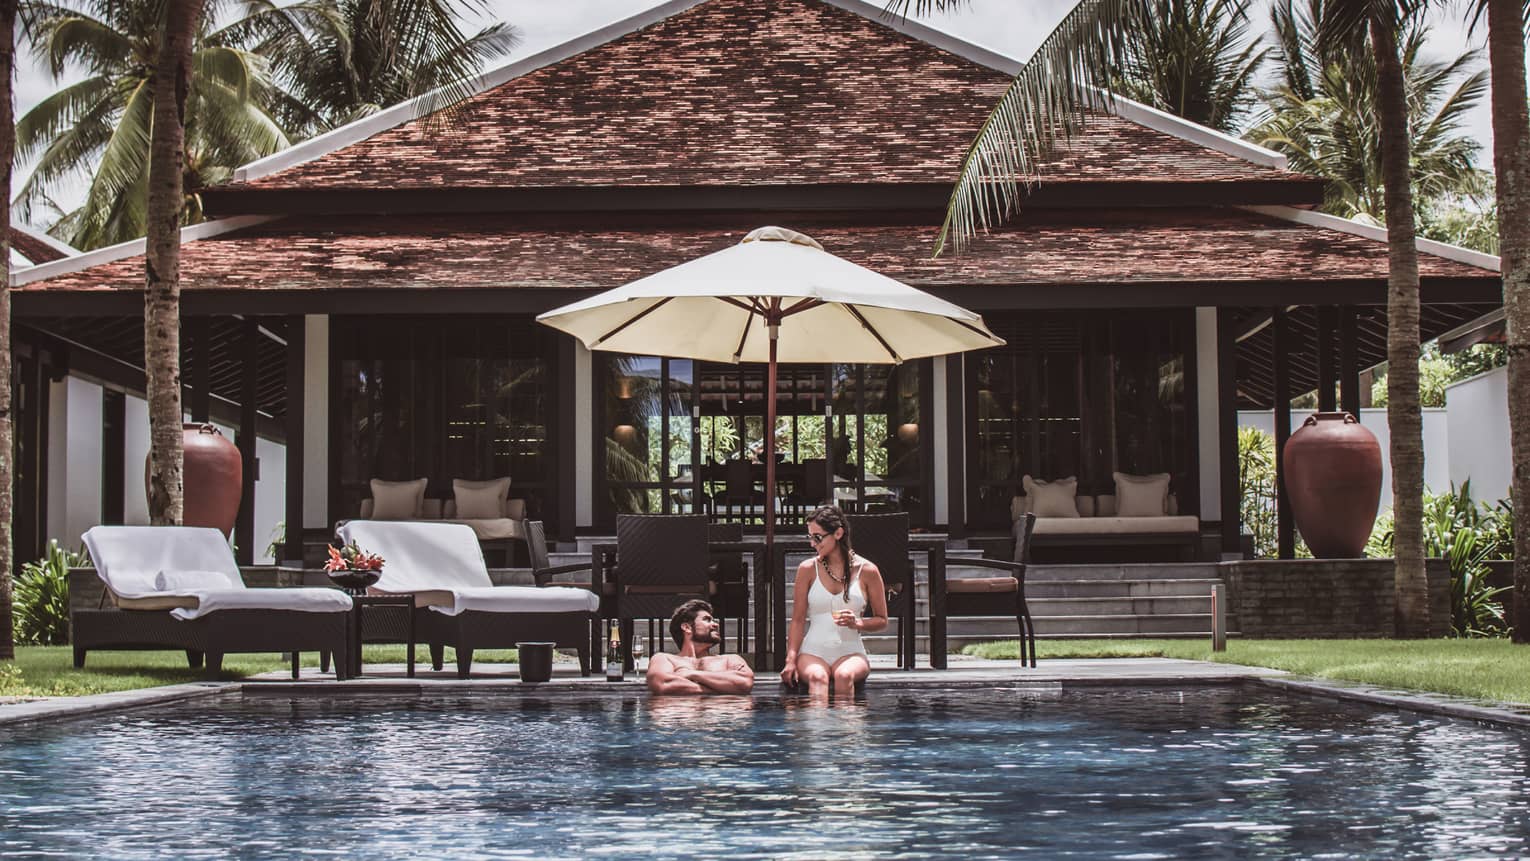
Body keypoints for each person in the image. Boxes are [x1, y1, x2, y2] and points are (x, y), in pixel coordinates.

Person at [780, 504, 888, 696]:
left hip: (851, 653)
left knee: (844, 675)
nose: (812, 543)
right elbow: (797, 620)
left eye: (817, 537)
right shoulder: (807, 569)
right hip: (812, 652)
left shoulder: (868, 571)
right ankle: (821, 727)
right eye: (810, 537)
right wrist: (790, 660)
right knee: (817, 677)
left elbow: (882, 620)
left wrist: (858, 622)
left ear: (838, 533)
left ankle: (844, 727)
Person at [645, 600, 756, 695]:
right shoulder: (664, 658)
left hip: (722, 719)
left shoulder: (730, 659)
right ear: (687, 627)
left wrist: (692, 674)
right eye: (707, 620)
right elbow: (663, 684)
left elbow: (745, 683)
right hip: (680, 718)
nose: (716, 624)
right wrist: (723, 688)